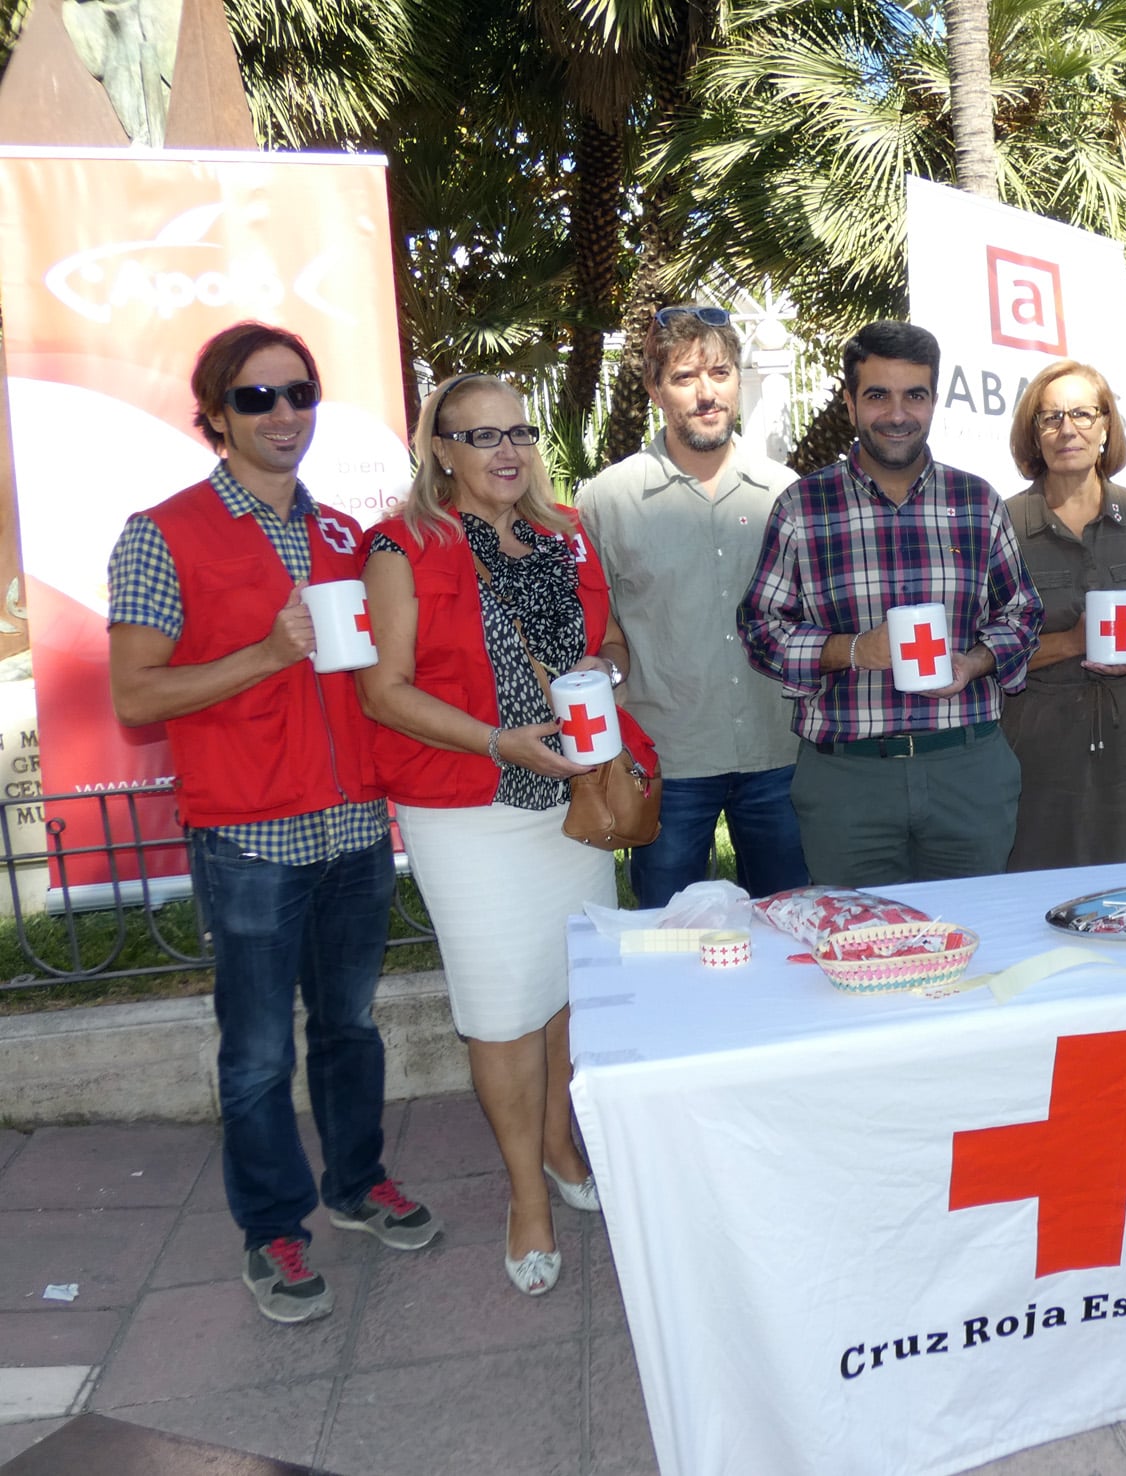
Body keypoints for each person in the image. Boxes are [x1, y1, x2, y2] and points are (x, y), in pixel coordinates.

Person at [106, 322, 439, 1327]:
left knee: (349, 1028)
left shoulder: (344, 533)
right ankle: (272, 1230)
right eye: (256, 398)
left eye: (299, 392)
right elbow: (135, 694)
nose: (284, 413)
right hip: (251, 838)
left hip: (353, 829)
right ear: (215, 414)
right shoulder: (162, 533)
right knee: (256, 1056)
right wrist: (265, 652)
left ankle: (357, 1183)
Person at [360, 373, 649, 1294]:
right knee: (498, 1009)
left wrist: (602, 668)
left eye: (518, 432)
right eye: (480, 436)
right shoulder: (401, 547)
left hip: (573, 798)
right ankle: (526, 1195)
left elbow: (612, 641)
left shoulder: (565, 532)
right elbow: (384, 692)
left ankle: (560, 1148)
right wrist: (497, 739)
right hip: (468, 808)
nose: (506, 450)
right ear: (440, 450)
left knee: (564, 992)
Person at [737, 321, 1042, 886]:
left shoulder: (977, 501)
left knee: (973, 928)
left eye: (914, 396)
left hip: (967, 770)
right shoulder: (803, 507)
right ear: (850, 402)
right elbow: (760, 629)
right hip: (847, 780)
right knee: (861, 934)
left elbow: (1022, 614)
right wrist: (854, 650)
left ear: (933, 401)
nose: (898, 414)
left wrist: (975, 662)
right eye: (878, 395)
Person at [575, 304, 807, 908]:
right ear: (655, 389)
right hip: (667, 760)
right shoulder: (606, 501)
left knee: (791, 927)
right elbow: (598, 625)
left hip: (779, 751)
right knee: (667, 935)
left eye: (720, 373)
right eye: (684, 377)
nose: (707, 394)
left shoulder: (787, 493)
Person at [1000, 360, 1126, 869]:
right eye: (1051, 417)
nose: (1068, 429)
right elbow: (983, 648)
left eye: (1083, 414)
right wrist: (1071, 642)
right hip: (1037, 743)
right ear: (1034, 434)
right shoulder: (1003, 525)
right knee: (1038, 888)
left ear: (1106, 425)